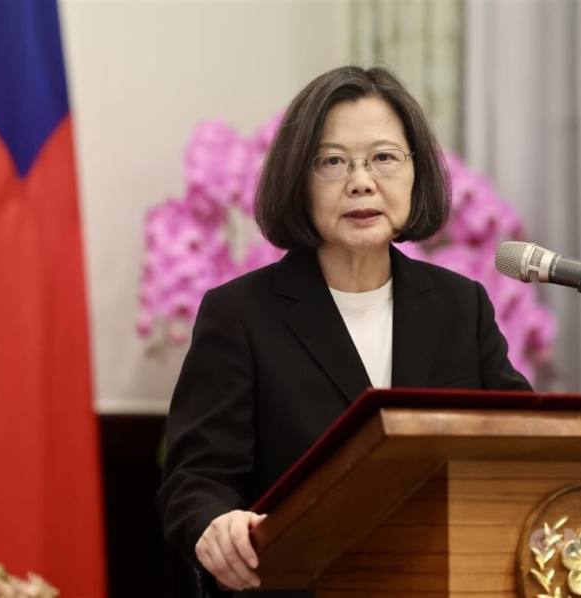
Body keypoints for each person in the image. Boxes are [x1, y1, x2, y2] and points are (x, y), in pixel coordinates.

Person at [154, 64, 528, 597]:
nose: (361, 180)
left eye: (383, 158)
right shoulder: (240, 314)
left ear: (415, 172)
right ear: (298, 181)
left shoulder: (459, 307)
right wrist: (217, 525)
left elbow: (519, 443)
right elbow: (196, 479)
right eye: (333, 161)